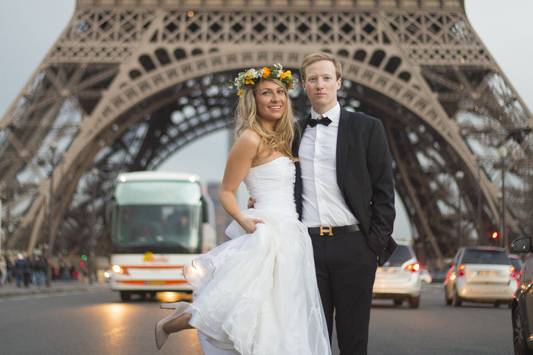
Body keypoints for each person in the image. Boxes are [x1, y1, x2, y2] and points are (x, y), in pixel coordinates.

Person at [154, 64, 331, 355]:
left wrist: (255, 195)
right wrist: (245, 221)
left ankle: (189, 314)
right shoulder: (249, 138)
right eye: (266, 93)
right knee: (244, 308)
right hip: (265, 232)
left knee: (282, 313)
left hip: (291, 233)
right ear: (253, 99)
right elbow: (226, 190)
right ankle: (173, 323)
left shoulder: (285, 138)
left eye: (280, 92)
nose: (275, 98)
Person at [294, 52, 397, 354]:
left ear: (338, 82)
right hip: (307, 248)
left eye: (326, 78)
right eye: (312, 79)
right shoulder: (293, 132)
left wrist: (372, 247)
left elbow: (383, 191)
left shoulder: (367, 128)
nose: (320, 85)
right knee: (313, 341)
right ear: (303, 85)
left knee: (354, 342)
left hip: (354, 245)